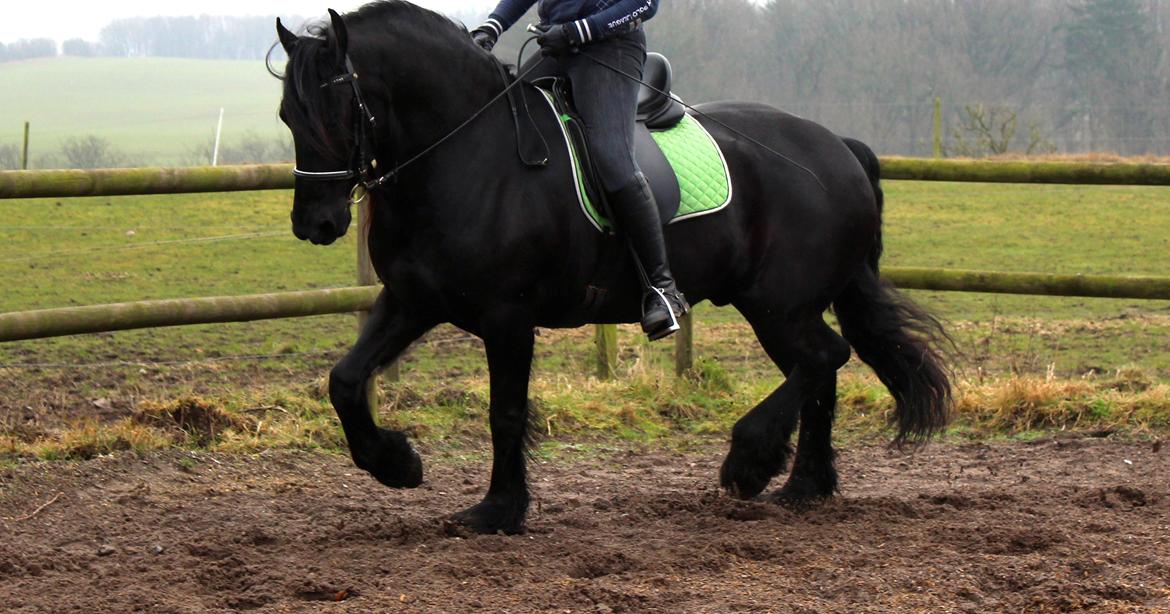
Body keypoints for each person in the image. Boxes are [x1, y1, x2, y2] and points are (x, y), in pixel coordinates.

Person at [470, 0, 690, 340]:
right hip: (555, 49)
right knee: (505, 131)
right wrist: (492, 27)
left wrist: (579, 30)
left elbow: (645, 4)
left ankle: (662, 288)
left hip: (610, 49)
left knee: (611, 161)